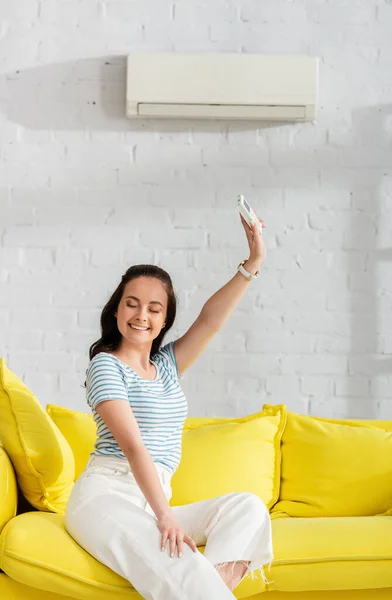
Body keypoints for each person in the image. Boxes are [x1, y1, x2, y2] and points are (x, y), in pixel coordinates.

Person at [64, 213, 273, 599]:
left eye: (154, 309)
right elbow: (133, 446)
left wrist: (253, 262)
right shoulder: (106, 365)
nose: (141, 315)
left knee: (248, 509)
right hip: (106, 497)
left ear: (164, 320)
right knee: (182, 564)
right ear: (116, 310)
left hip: (152, 498)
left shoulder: (165, 367)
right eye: (131, 304)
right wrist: (165, 518)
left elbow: (210, 321)